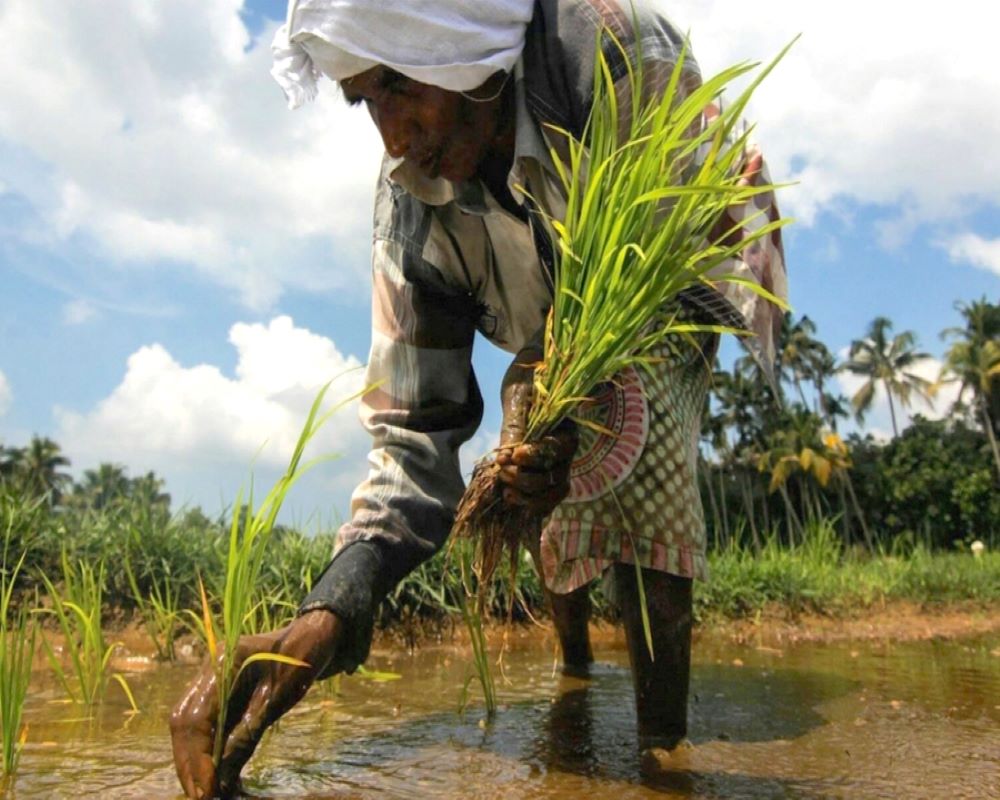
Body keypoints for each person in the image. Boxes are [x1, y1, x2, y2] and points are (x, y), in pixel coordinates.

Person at [170, 0, 787, 797]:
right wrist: (328, 614)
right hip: (554, 305)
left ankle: (661, 749)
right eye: (367, 100)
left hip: (680, 260)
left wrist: (562, 399)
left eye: (399, 83)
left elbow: (654, 260)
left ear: (457, 43)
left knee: (633, 419)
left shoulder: (606, 47)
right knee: (528, 458)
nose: (394, 136)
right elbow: (411, 434)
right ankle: (574, 674)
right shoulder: (410, 209)